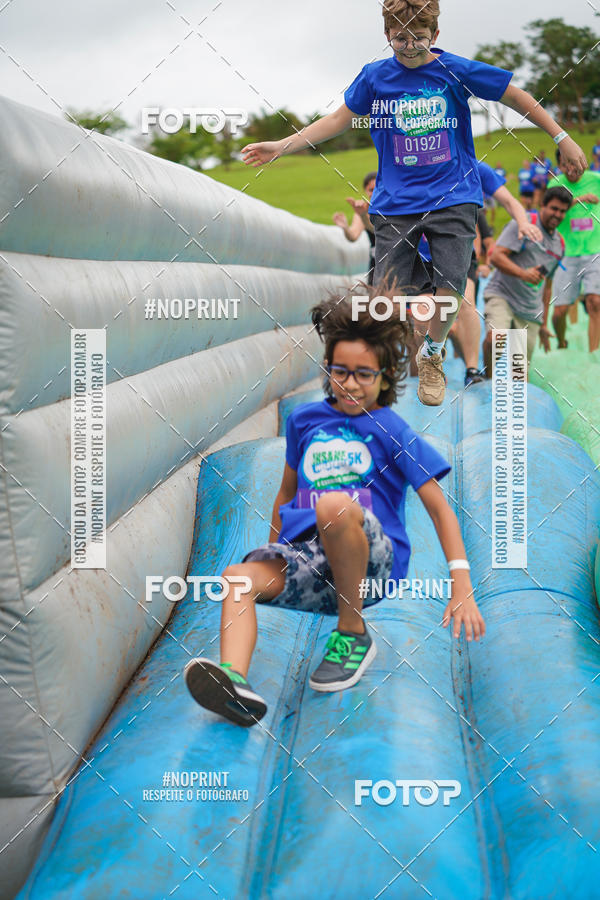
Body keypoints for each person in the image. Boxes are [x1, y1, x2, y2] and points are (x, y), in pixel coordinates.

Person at [241, 0, 586, 408]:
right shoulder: (375, 77)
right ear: (386, 35)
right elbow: (337, 121)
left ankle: (433, 354)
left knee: (452, 287)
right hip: (396, 202)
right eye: (400, 38)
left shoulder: (452, 68)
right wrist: (282, 145)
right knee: (384, 298)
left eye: (418, 39)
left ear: (435, 36)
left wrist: (561, 136)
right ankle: (379, 366)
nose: (408, 47)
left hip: (453, 195)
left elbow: (513, 95)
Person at [183, 287, 485, 726]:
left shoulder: (390, 428)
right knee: (237, 579)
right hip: (313, 557)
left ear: (386, 376)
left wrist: (462, 584)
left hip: (372, 561)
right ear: (327, 369)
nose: (350, 382)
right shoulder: (304, 421)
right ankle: (235, 685)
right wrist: (276, 551)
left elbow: (439, 507)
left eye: (364, 373)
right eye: (341, 371)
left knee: (333, 506)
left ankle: (352, 633)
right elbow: (285, 495)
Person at [418, 161, 542, 386]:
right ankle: (425, 366)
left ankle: (472, 369)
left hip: (458, 252)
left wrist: (523, 222)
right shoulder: (416, 164)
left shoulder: (473, 167)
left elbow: (508, 200)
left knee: (466, 301)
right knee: (424, 312)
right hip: (422, 257)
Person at [482, 186, 572, 373]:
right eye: (554, 208)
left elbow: (547, 287)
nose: (558, 214)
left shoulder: (559, 245)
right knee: (495, 340)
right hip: (502, 295)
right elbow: (496, 257)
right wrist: (523, 274)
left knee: (519, 374)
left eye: (563, 211)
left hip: (530, 311)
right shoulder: (523, 224)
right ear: (542, 205)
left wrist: (544, 323)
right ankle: (487, 381)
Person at [551, 148, 600, 352]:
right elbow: (552, 214)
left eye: (573, 163)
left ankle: (593, 354)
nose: (570, 168)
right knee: (559, 312)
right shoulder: (555, 184)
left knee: (595, 302)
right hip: (567, 254)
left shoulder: (596, 179)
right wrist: (579, 199)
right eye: (565, 164)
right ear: (560, 165)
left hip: (594, 250)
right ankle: (562, 342)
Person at [333, 171, 377, 284]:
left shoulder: (391, 206)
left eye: (378, 187)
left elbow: (381, 231)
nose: (374, 192)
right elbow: (353, 236)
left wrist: (363, 216)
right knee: (376, 298)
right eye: (371, 190)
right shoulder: (362, 208)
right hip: (376, 261)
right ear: (365, 191)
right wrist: (345, 228)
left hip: (396, 259)